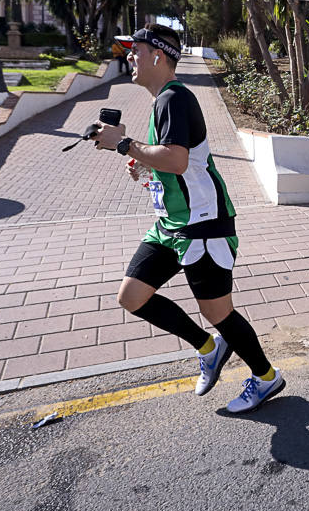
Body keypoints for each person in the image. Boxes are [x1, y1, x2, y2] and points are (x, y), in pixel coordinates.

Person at [95, 24, 284, 413]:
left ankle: (266, 377)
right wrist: (141, 164)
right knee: (132, 296)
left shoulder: (174, 99)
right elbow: (172, 160)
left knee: (218, 312)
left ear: (158, 55)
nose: (130, 56)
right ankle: (208, 347)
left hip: (203, 225)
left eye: (137, 50)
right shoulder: (161, 101)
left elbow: (178, 160)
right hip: (170, 226)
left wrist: (124, 143)